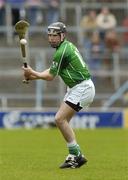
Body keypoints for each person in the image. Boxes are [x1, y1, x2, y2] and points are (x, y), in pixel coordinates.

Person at [22, 22, 95, 169]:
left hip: (82, 88)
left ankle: (77, 155)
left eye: (54, 36)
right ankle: (74, 155)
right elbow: (53, 70)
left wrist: (32, 73)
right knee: (62, 121)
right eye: (49, 35)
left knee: (59, 119)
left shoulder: (62, 51)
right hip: (78, 88)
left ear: (62, 36)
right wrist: (33, 75)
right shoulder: (65, 46)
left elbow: (50, 76)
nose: (51, 38)